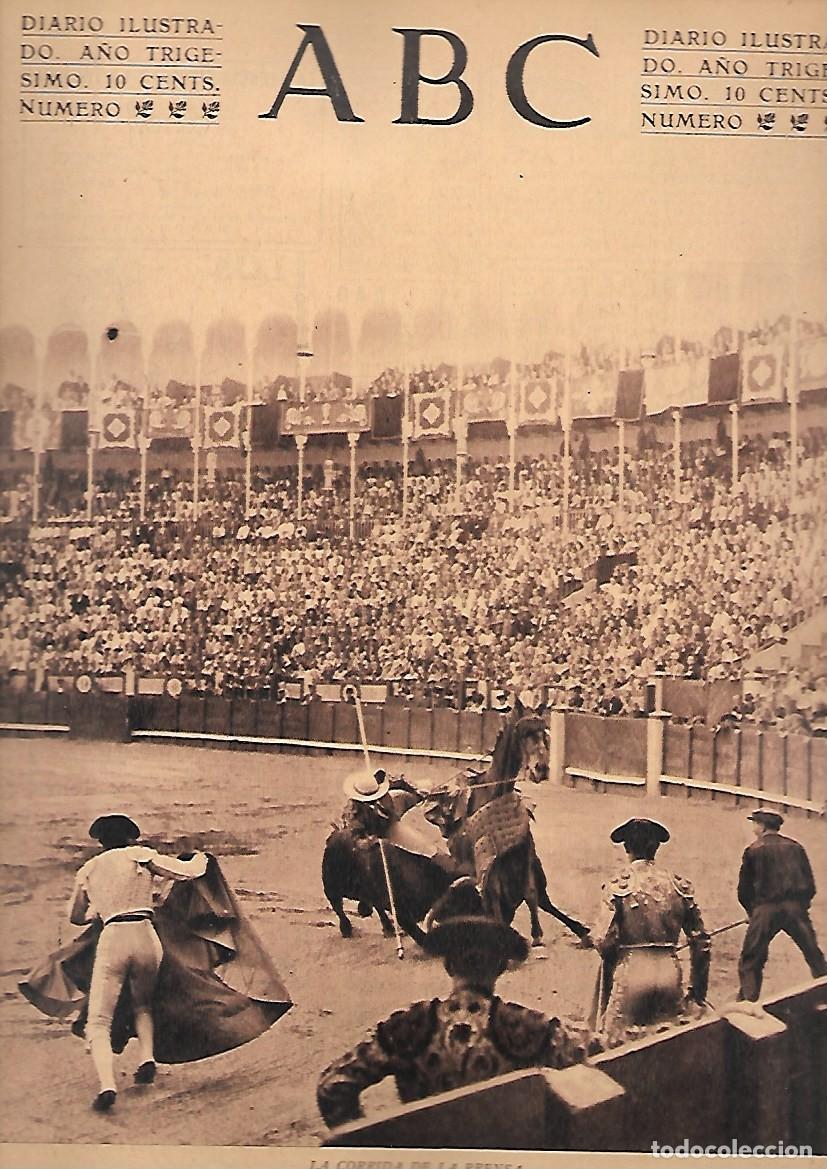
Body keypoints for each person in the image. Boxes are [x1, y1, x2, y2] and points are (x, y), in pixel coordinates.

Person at [317, 878, 592, 1129]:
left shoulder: (408, 1025)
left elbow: (332, 1086)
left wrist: (379, 1149)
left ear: (448, 965)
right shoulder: (528, 1026)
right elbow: (594, 1052)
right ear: (499, 966)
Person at [67, 813, 208, 1112]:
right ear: (130, 837)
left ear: (100, 841)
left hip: (114, 937)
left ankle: (107, 1085)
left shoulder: (89, 869)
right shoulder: (140, 856)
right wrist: (202, 857)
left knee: (99, 1021)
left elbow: (75, 917)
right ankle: (147, 1058)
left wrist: (100, 911)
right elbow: (187, 872)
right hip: (146, 935)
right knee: (143, 1004)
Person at [589, 818, 711, 1047]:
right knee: (667, 1044)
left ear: (627, 848)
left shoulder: (618, 885)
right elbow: (702, 942)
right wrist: (697, 993)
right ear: (655, 848)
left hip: (632, 971)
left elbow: (603, 940)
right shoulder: (678, 885)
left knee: (616, 1046)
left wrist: (613, 954)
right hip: (669, 972)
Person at [737, 809, 827, 1001]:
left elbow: (744, 890)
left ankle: (748, 1004)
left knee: (751, 960)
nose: (753, 827)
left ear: (761, 826)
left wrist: (753, 913)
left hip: (765, 909)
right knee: (813, 954)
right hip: (795, 908)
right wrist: (801, 907)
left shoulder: (753, 850)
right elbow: (809, 885)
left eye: (754, 823)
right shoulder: (796, 847)